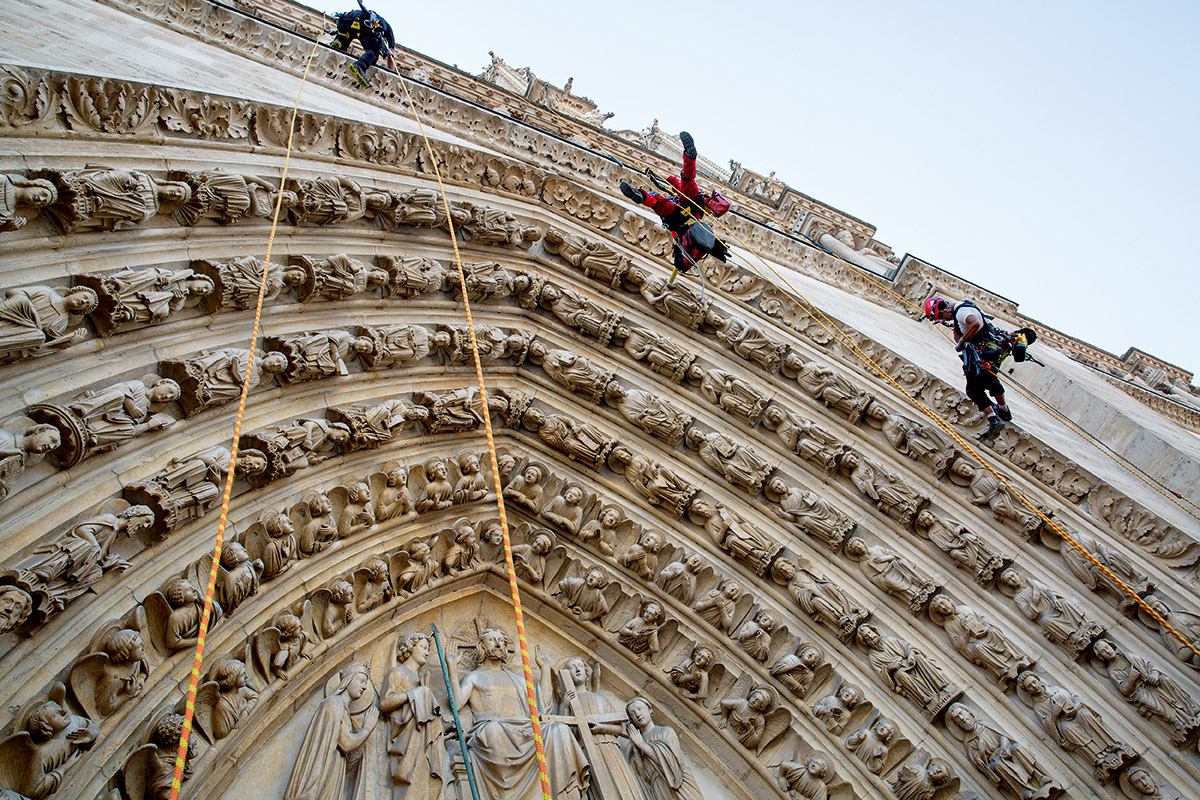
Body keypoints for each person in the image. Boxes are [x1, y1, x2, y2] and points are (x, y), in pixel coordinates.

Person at [923, 295, 1037, 440]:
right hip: (994, 350)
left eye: (942, 316)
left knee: (973, 389)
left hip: (985, 351)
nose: (944, 320)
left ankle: (994, 418)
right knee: (990, 379)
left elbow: (975, 323)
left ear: (945, 307)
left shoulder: (962, 312)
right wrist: (959, 336)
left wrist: (963, 342)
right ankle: (1003, 409)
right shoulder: (962, 308)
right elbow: (959, 331)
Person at [620, 131, 730, 273]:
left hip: (682, 212)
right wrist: (660, 176)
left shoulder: (684, 240)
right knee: (675, 192)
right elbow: (677, 183)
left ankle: (641, 196)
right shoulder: (684, 238)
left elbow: (675, 182)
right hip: (689, 209)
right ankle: (641, 195)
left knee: (662, 200)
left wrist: (658, 175)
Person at [330, 0, 397, 86]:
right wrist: (392, 74)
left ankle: (340, 42)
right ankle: (360, 66)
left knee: (346, 35)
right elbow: (390, 55)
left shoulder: (365, 13)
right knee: (373, 53)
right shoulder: (388, 31)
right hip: (366, 26)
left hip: (346, 20)